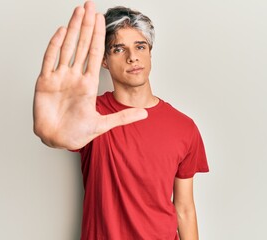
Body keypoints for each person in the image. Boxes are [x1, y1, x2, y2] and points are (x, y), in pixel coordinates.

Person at [33, 1, 209, 239]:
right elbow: (64, 134)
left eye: (140, 47)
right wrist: (50, 136)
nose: (132, 57)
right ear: (104, 60)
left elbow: (185, 209)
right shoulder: (89, 114)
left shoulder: (184, 127)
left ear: (150, 51)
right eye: (118, 49)